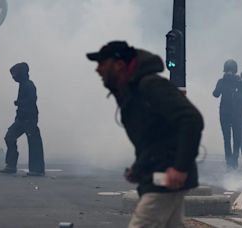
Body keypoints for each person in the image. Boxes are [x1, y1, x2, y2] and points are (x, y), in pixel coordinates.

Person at [86, 41, 203, 228]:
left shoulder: (151, 86)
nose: (98, 70)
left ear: (119, 65)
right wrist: (139, 168)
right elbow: (153, 140)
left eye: (102, 63)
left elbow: (191, 120)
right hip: (159, 176)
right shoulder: (131, 92)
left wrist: (180, 168)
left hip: (165, 178)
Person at [0, 62, 45, 176]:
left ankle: (37, 169)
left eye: (15, 74)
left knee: (33, 143)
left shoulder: (29, 85)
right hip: (22, 118)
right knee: (10, 137)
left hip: (29, 118)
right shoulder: (24, 85)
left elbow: (32, 100)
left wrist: (19, 103)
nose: (14, 77)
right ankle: (11, 165)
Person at [213, 59, 242, 170]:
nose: (229, 72)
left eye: (231, 71)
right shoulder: (222, 81)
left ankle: (233, 159)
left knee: (235, 137)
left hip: (235, 113)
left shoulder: (239, 82)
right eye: (228, 71)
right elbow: (215, 94)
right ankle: (230, 161)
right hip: (227, 113)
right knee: (228, 137)